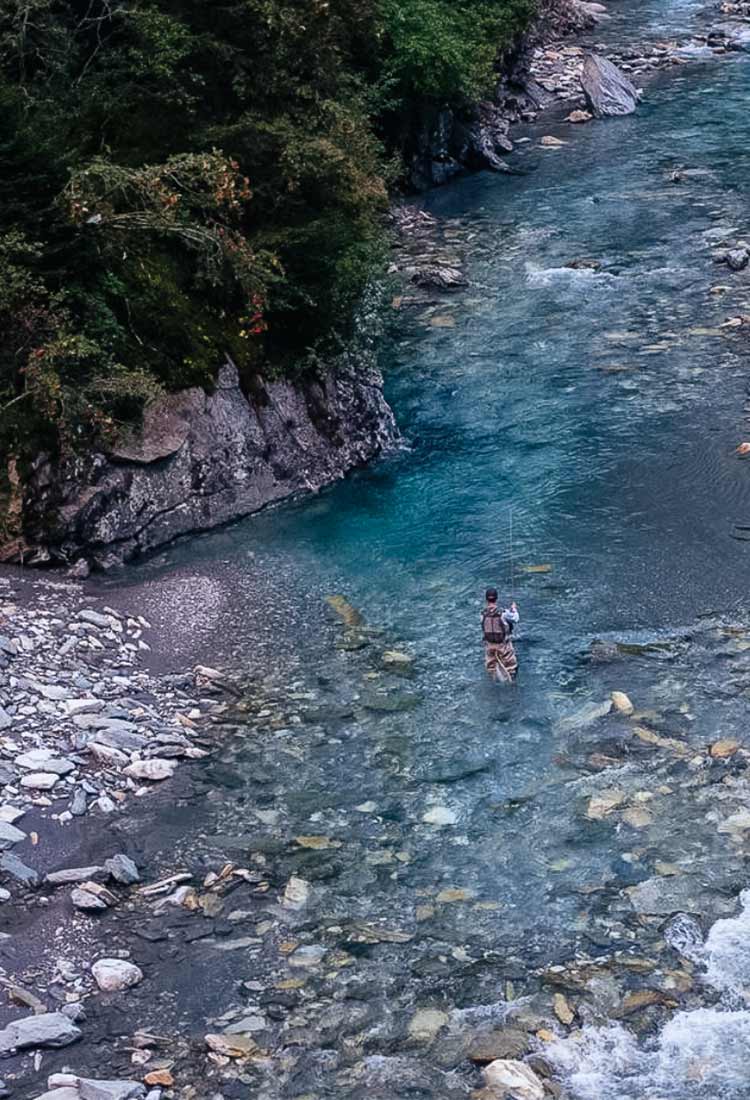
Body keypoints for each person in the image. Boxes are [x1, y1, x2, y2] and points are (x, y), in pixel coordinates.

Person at [481, 588, 519, 683]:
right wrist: (514, 609)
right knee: (511, 669)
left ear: (486, 599)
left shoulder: (482, 614)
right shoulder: (503, 613)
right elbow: (516, 619)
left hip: (489, 646)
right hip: (504, 646)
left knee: (492, 670)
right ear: (496, 598)